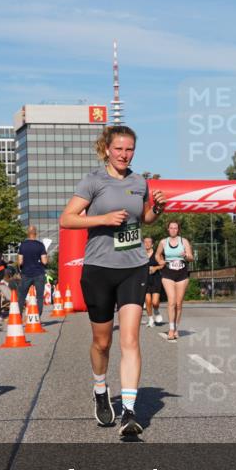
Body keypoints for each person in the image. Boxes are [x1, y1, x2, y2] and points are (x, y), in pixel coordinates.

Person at [60, 125, 166, 437]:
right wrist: (102, 219)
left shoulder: (139, 181)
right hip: (99, 268)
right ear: (107, 149)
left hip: (134, 266)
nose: (124, 154)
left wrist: (157, 209)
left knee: (130, 339)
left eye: (129, 149)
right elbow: (67, 219)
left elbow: (144, 218)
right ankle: (100, 389)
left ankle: (129, 412)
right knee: (102, 342)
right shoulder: (93, 181)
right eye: (119, 149)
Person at [155, 220, 194, 341]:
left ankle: (176, 327)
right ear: (168, 229)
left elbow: (191, 258)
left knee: (178, 303)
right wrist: (160, 261)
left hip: (182, 273)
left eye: (175, 228)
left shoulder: (184, 241)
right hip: (168, 273)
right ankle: (171, 329)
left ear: (178, 230)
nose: (173, 230)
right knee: (171, 301)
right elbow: (157, 254)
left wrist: (186, 255)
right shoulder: (163, 242)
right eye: (171, 228)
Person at [17, 227, 49, 315]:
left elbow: (20, 261)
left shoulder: (23, 245)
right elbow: (44, 261)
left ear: (27, 233)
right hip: (39, 274)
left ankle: (19, 316)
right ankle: (37, 317)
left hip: (26, 274)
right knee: (39, 297)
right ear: (36, 233)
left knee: (21, 296)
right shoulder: (40, 245)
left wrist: (20, 270)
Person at [143, 236, 164, 327]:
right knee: (148, 301)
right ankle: (150, 319)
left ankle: (156, 310)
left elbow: (163, 264)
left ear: (152, 244)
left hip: (156, 279)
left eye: (149, 242)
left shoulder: (157, 254)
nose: (147, 244)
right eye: (145, 242)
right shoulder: (141, 255)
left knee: (155, 302)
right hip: (144, 279)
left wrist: (155, 268)